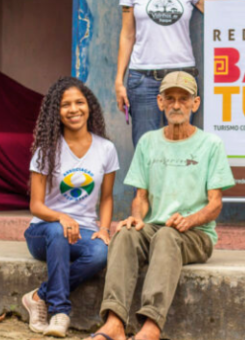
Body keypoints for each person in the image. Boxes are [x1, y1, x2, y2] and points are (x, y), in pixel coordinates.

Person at [88, 71, 235, 340]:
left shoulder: (211, 145)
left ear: (195, 103)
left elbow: (215, 204)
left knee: (168, 235)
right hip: (155, 229)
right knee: (125, 233)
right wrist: (136, 217)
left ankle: (151, 327)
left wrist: (190, 220)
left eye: (183, 99)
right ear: (160, 102)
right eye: (170, 98)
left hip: (195, 235)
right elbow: (141, 197)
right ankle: (114, 322)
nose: (176, 105)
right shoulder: (148, 142)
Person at [22, 77, 120, 337]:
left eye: (79, 102)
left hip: (83, 230)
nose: (74, 109)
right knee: (58, 231)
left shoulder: (106, 149)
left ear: (89, 107)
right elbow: (36, 206)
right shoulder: (46, 151)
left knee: (100, 253)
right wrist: (61, 217)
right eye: (65, 105)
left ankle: (37, 296)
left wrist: (104, 229)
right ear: (56, 112)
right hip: (43, 232)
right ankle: (60, 312)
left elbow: (107, 198)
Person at [115, 0, 205, 147]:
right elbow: (127, 34)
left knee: (181, 146)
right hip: (143, 78)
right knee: (146, 148)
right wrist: (119, 80)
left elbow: (220, 12)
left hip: (182, 76)